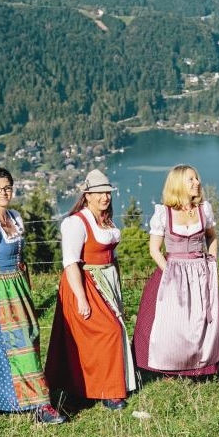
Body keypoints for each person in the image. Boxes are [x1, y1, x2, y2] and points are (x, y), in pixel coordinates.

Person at [0, 168, 66, 424]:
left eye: (7, 187)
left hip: (18, 286)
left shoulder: (14, 217)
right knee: (17, 344)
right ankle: (40, 406)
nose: (3, 193)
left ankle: (10, 400)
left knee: (28, 339)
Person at [45, 169, 136, 409]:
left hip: (106, 282)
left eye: (107, 192)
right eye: (98, 193)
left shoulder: (106, 220)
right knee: (110, 332)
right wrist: (81, 298)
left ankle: (96, 385)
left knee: (106, 333)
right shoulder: (76, 222)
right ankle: (108, 390)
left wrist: (117, 287)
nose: (104, 197)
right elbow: (70, 263)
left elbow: (111, 256)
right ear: (87, 196)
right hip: (85, 283)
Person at [133, 165, 219, 378]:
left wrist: (211, 261)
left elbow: (211, 236)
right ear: (178, 184)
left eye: (197, 178)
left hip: (200, 270)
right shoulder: (164, 213)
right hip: (172, 270)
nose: (197, 183)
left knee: (200, 320)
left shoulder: (203, 209)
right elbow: (154, 249)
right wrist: (169, 272)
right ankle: (171, 364)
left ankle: (200, 364)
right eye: (191, 180)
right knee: (172, 322)